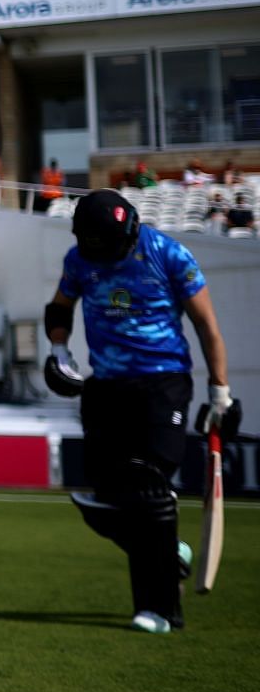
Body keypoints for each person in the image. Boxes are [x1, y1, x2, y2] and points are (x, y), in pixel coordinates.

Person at [42, 189, 234, 634]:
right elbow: (59, 307)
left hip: (162, 383)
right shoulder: (79, 260)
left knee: (149, 485)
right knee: (103, 499)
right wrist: (58, 350)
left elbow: (207, 326)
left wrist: (220, 392)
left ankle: (161, 610)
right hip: (106, 387)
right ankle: (169, 556)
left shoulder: (169, 255)